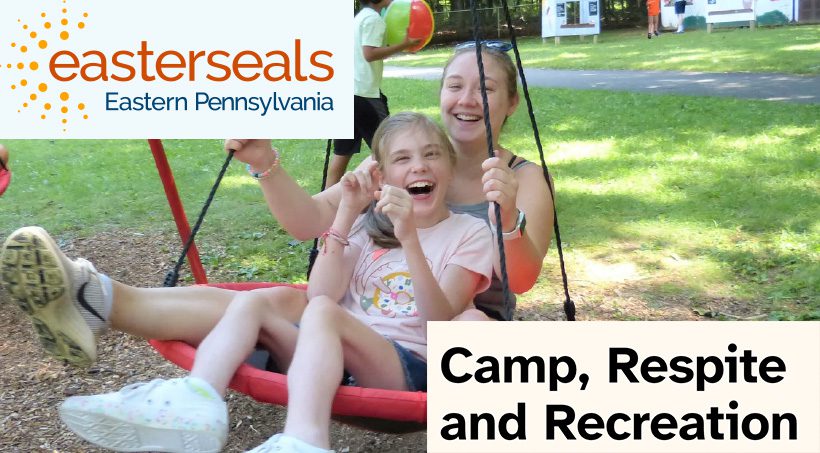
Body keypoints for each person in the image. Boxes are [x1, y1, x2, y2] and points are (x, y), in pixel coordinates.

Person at [0, 41, 553, 371]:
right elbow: (307, 221)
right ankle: (91, 295)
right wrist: (266, 164)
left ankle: (93, 298)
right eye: (454, 85)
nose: (465, 100)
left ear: (508, 102)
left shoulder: (520, 178)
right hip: (368, 311)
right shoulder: (408, 161)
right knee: (269, 301)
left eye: (483, 89)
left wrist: (506, 221)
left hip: (455, 335)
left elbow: (523, 279)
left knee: (295, 312)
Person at [56, 112, 494, 453]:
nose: (420, 165)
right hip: (330, 366)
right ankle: (197, 398)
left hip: (408, 372)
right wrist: (347, 213)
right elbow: (322, 293)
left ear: (449, 165)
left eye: (432, 154)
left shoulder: (468, 233)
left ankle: (305, 439)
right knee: (262, 302)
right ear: (381, 177)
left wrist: (410, 240)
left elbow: (442, 323)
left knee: (319, 311)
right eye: (403, 158)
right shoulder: (367, 227)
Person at [327, 0, 420, 188]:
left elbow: (368, 53)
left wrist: (401, 47)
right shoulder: (374, 19)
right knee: (390, 149)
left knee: (342, 153)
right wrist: (403, 45)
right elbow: (370, 54)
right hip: (365, 95)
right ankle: (397, 196)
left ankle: (324, 202)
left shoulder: (360, 17)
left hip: (349, 93)